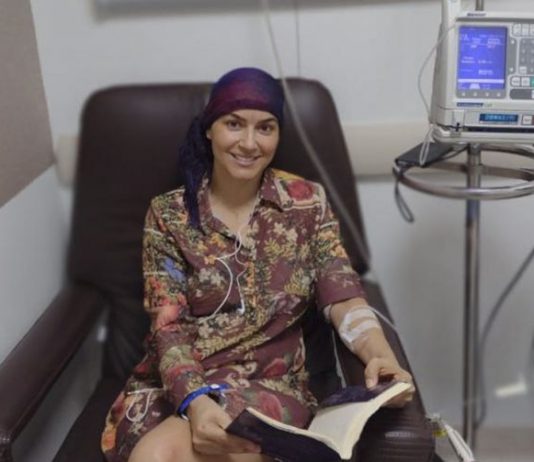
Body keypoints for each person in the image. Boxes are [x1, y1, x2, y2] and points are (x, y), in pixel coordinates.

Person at [101, 67, 415, 462]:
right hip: (179, 383)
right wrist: (196, 401)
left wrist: (378, 353)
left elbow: (341, 293)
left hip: (270, 386)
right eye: (234, 124)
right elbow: (168, 327)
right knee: (157, 454)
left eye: (265, 128)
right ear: (209, 129)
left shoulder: (306, 203)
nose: (249, 143)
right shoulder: (168, 215)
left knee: (201, 450)